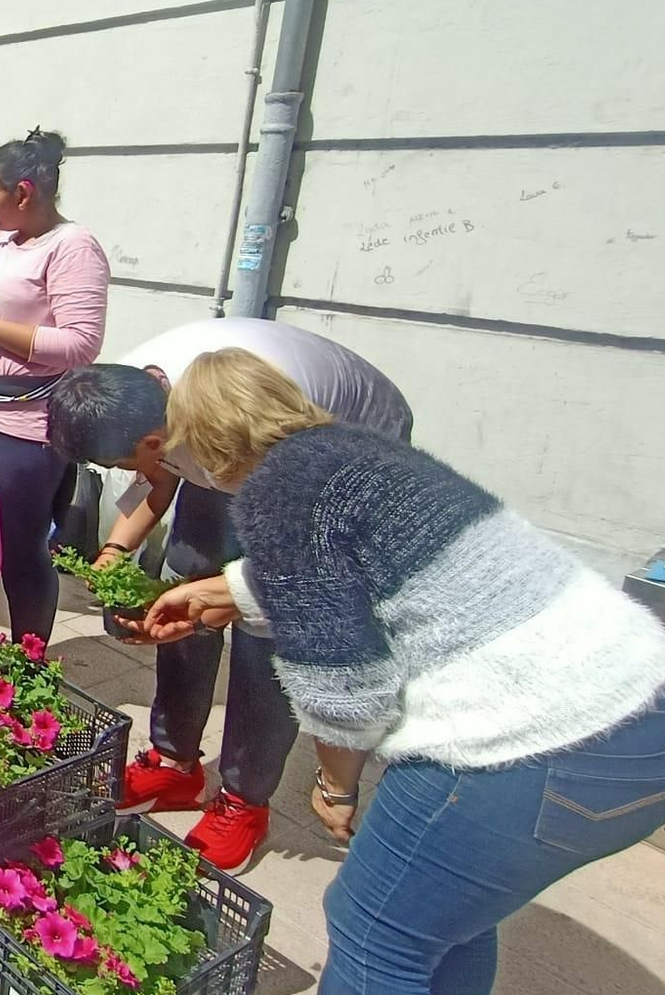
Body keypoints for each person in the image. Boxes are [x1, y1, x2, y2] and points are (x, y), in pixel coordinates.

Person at [148, 350, 665, 995]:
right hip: (654, 721)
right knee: (448, 926)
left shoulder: (281, 498)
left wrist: (335, 789)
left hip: (531, 750)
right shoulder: (362, 458)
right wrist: (231, 591)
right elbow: (369, 564)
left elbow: (343, 697)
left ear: (219, 448)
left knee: (374, 930)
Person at [47, 320, 414, 869]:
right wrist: (117, 554)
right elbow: (159, 479)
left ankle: (244, 798)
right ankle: (175, 764)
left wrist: (338, 782)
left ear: (155, 441)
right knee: (181, 580)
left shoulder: (264, 434)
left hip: (344, 433)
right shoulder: (127, 396)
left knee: (263, 636)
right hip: (224, 437)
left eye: (120, 464)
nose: (124, 471)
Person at [0, 131, 108, 645]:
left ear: (24, 192)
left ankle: (27, 665)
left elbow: (80, 344)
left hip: (27, 429)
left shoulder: (73, 246)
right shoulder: (3, 245)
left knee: (20, 550)